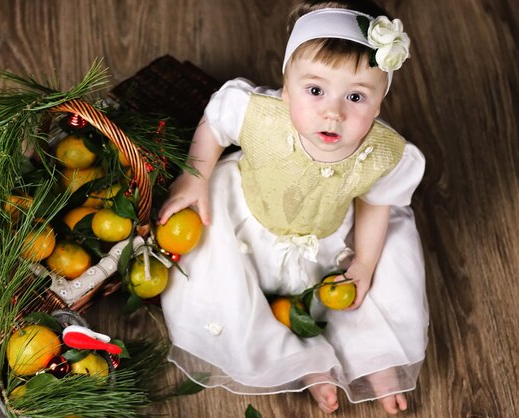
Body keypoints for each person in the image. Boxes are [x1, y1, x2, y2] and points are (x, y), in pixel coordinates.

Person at [157, 0, 427, 414]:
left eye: (356, 96)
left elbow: (375, 203)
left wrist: (366, 263)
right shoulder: (258, 113)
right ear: (286, 87)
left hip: (327, 237)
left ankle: (377, 359)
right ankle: (304, 364)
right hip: (247, 221)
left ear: (379, 104)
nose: (333, 112)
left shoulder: (384, 152)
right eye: (315, 90)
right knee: (215, 274)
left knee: (377, 278)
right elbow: (214, 125)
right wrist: (195, 176)